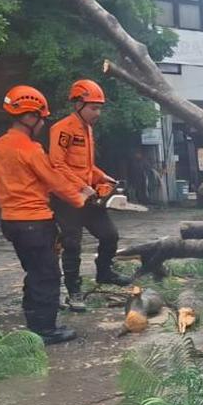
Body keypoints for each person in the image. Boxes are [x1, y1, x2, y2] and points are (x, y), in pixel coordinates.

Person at [0, 86, 95, 345]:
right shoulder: (30, 149)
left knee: (34, 272)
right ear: (29, 116)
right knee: (47, 275)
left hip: (10, 221)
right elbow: (53, 180)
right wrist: (80, 197)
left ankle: (34, 324)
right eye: (41, 117)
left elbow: (28, 180)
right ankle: (45, 330)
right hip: (34, 221)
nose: (43, 123)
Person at [49, 79, 132, 312]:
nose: (98, 112)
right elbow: (57, 164)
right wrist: (80, 186)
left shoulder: (87, 130)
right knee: (72, 244)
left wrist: (104, 178)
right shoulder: (62, 129)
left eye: (99, 108)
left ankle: (104, 272)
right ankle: (74, 290)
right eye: (93, 107)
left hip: (89, 196)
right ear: (78, 105)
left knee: (109, 235)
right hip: (67, 198)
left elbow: (86, 167)